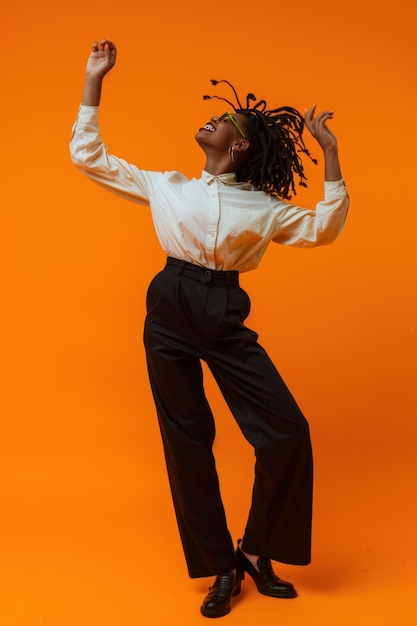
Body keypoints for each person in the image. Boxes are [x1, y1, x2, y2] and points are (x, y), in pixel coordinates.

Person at [70, 39, 349, 618]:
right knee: (187, 440)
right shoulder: (168, 186)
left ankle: (258, 549)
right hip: (169, 307)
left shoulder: (265, 207)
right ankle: (221, 566)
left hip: (224, 311)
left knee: (285, 432)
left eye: (223, 120)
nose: (212, 119)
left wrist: (331, 155)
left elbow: (324, 229)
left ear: (239, 145)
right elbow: (89, 157)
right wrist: (95, 80)